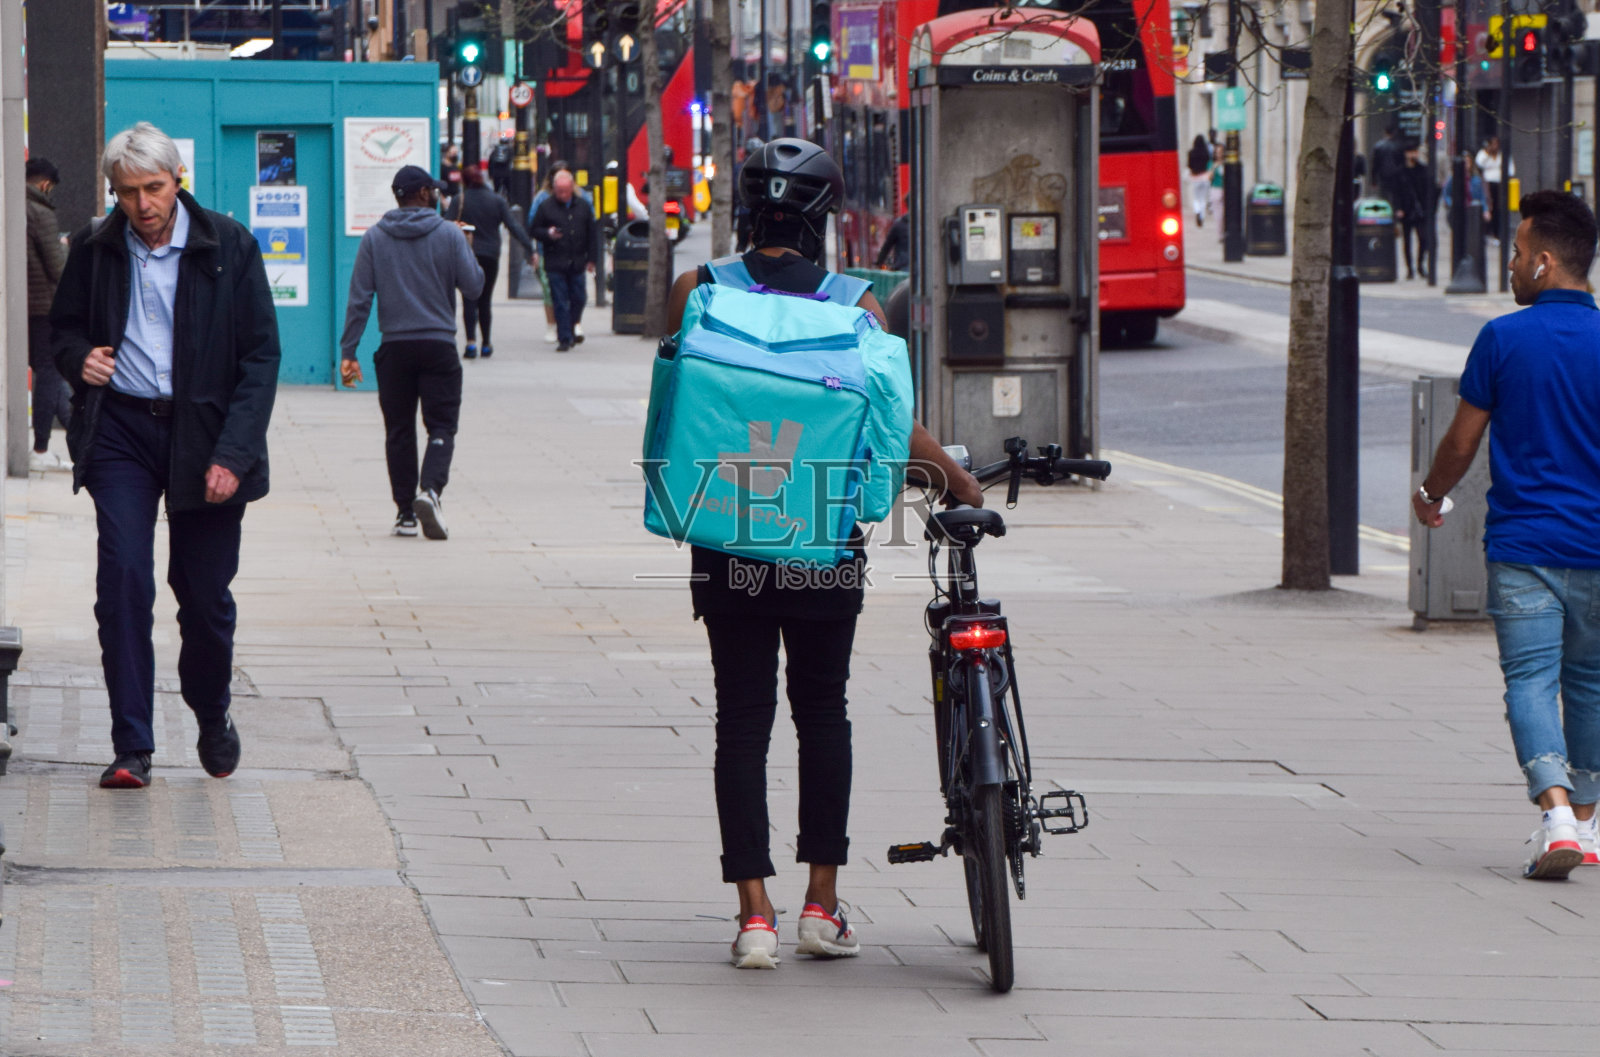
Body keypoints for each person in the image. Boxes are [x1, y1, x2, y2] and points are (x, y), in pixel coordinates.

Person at [665, 138, 982, 970]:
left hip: (725, 531)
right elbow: (889, 428)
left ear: (747, 209)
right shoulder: (857, 307)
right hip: (823, 540)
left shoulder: (695, 293)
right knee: (822, 716)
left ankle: (754, 916)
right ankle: (821, 901)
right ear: (823, 218)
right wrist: (954, 479)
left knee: (741, 721)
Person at [49, 121, 281, 790]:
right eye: (127, 192)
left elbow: (260, 356)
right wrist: (77, 358)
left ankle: (211, 712)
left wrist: (233, 454)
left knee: (202, 597)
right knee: (123, 579)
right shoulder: (96, 246)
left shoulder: (228, 246)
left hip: (206, 434)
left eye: (153, 188)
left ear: (177, 181)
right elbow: (64, 326)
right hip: (122, 429)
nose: (142, 205)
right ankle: (132, 744)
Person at [1412, 190, 1600, 880]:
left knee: (1529, 679)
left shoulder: (1503, 338)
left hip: (1525, 546)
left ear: (1546, 263)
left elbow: (1462, 440)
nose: (1512, 266)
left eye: (1518, 254)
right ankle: (1585, 820)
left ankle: (1554, 815)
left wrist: (1432, 496)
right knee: (1590, 683)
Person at [338, 164, 484, 540]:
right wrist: (466, 247)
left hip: (395, 348)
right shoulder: (449, 236)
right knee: (441, 426)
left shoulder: (374, 238)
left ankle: (404, 513)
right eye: (432, 190)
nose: (436, 195)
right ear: (421, 194)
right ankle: (431, 491)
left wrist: (348, 350)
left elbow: (359, 300)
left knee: (399, 430)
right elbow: (474, 288)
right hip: (438, 346)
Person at [449, 166, 535, 360]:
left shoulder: (460, 200)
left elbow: (446, 223)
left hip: (467, 254)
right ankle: (486, 343)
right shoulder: (497, 200)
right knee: (485, 300)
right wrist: (529, 248)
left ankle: (471, 343)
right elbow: (513, 226)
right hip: (490, 255)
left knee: (469, 299)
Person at [26, 157, 72, 473]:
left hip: (25, 305)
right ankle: (41, 447)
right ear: (46, 184)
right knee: (50, 372)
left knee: (51, 374)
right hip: (45, 306)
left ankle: (82, 439)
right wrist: (65, 246)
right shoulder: (41, 213)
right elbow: (58, 267)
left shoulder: (15, 207)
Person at [530, 170, 596, 353]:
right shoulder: (546, 206)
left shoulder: (583, 205)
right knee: (559, 300)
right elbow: (534, 229)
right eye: (559, 191)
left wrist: (592, 259)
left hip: (577, 260)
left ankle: (572, 324)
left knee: (579, 297)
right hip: (555, 260)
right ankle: (564, 337)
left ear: (572, 188)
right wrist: (548, 234)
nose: (563, 195)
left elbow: (592, 233)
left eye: (566, 191)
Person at [1395, 140, 1435, 281]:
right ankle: (1409, 269)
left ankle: (1420, 265)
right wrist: (1398, 208)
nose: (1414, 155)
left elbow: (1428, 190)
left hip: (1420, 210)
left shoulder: (1423, 170)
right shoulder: (1400, 171)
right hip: (1406, 209)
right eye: (1411, 152)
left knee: (1423, 239)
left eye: (1415, 152)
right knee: (1407, 241)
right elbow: (1397, 192)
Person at [1475, 135, 1512, 239]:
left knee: (1499, 208)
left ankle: (1497, 232)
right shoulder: (1484, 154)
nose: (1495, 146)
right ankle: (1488, 231)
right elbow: (1479, 163)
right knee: (1488, 206)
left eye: (1497, 144)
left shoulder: (1503, 155)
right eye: (1493, 144)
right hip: (1488, 183)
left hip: (1500, 183)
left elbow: (1511, 169)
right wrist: (1488, 153)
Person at [1370, 123, 1405, 210]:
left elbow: (1375, 164)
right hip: (1396, 176)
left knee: (1384, 197)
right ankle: (1394, 216)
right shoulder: (1398, 146)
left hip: (1383, 175)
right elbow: (1402, 163)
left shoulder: (1378, 146)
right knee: (1396, 198)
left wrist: (1374, 180)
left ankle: (1385, 215)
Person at [874, 198, 910, 271]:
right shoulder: (924, 225)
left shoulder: (898, 225)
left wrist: (879, 263)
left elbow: (887, 246)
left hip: (902, 268)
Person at [1185, 134, 1211, 228]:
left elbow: (1189, 165)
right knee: (1203, 198)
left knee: (1196, 198)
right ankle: (1202, 216)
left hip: (1195, 177)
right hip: (1204, 176)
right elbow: (1208, 163)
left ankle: (1197, 212)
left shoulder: (1191, 153)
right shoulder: (1206, 152)